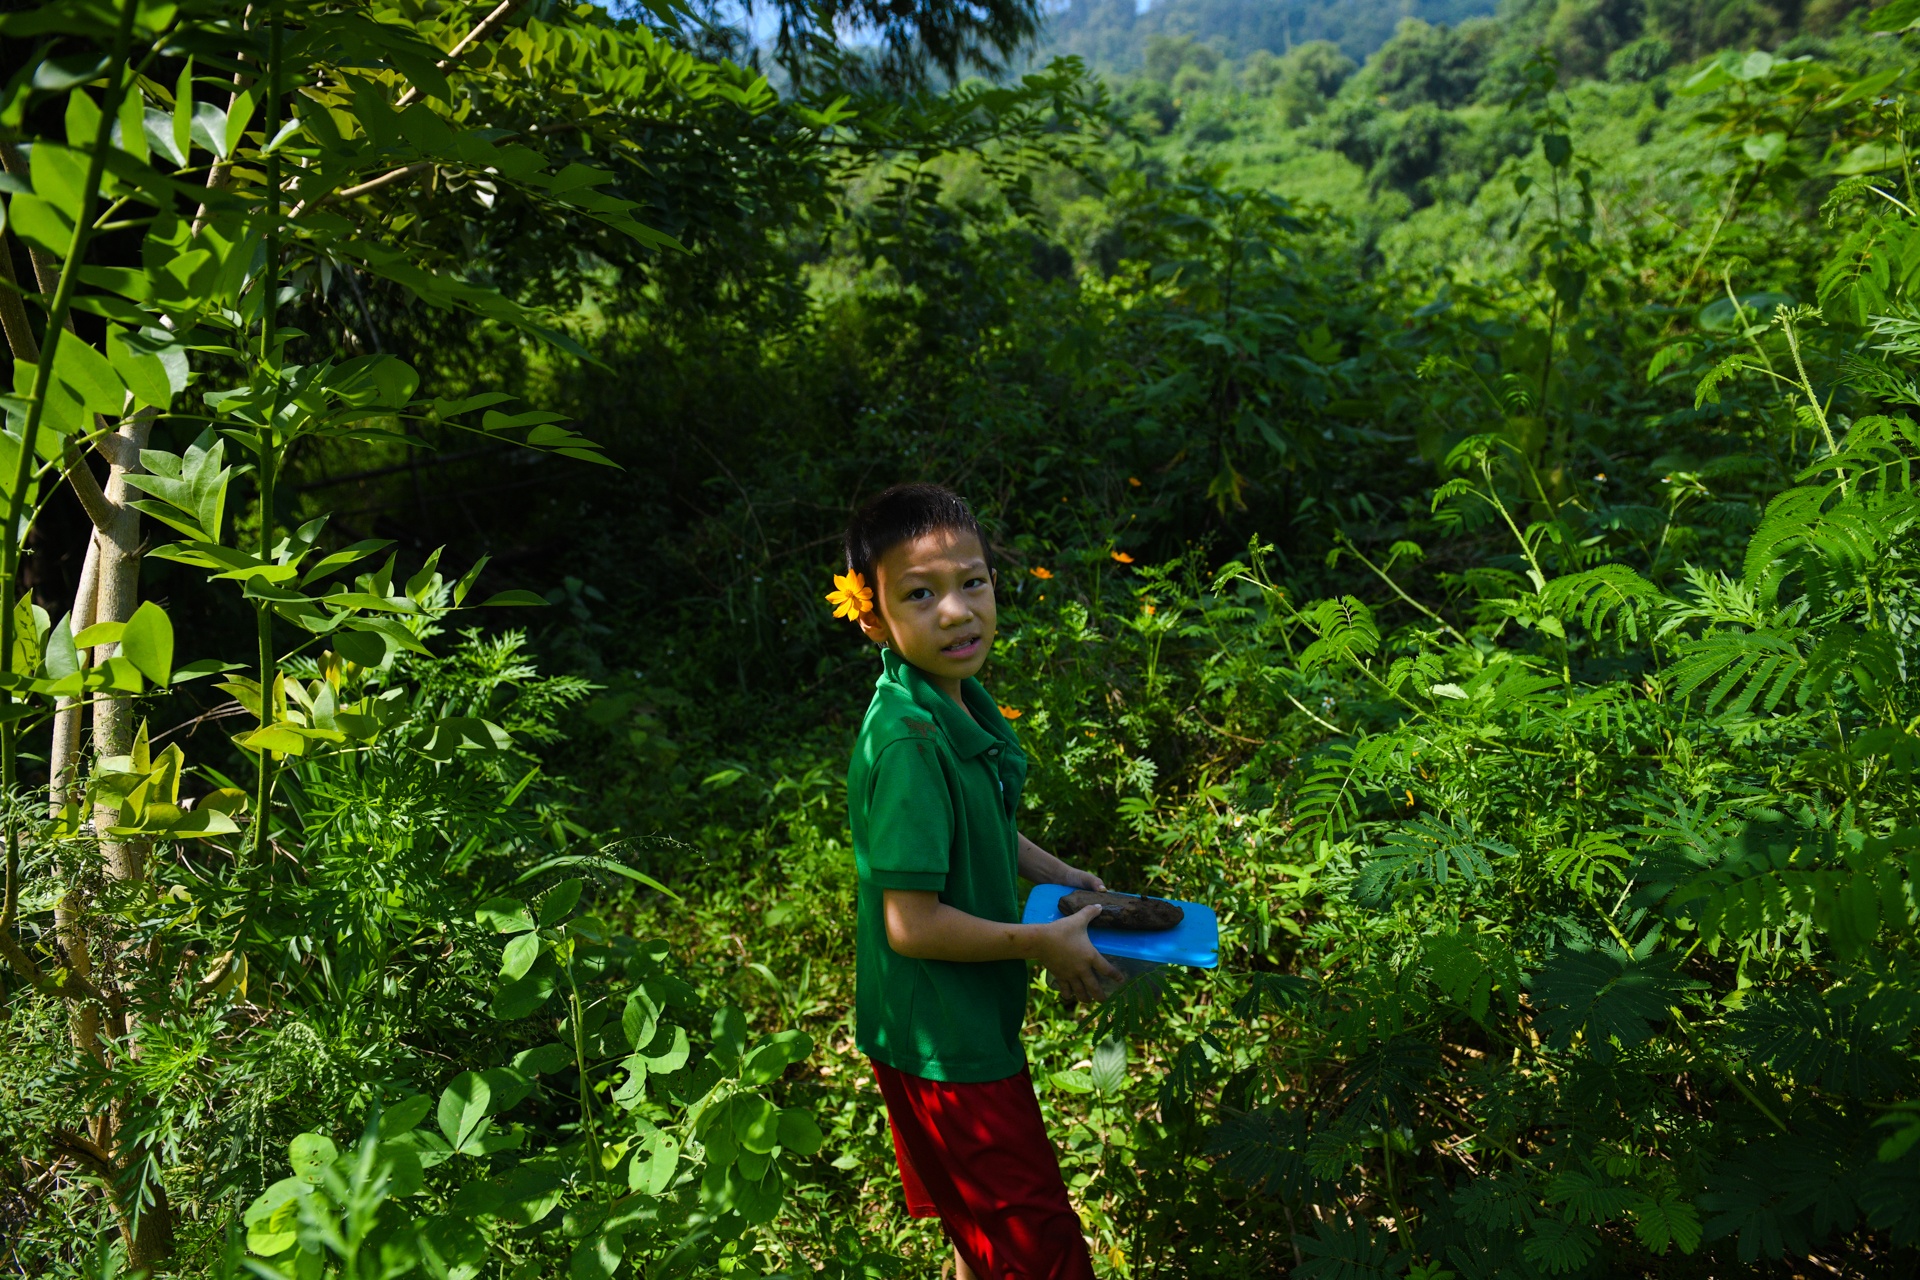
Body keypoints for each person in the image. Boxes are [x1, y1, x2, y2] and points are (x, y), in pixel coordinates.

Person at [829, 482, 1122, 1280]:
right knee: (1038, 1249)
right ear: (873, 618)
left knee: (978, 1234)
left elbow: (979, 821)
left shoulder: (945, 697)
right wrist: (1042, 943)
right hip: (944, 1045)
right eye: (920, 595)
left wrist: (1062, 876)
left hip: (945, 1023)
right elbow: (911, 924)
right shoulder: (910, 743)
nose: (956, 611)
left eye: (972, 582)